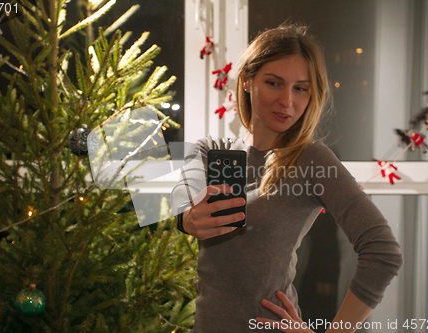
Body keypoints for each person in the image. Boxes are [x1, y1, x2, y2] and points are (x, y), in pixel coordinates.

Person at [170, 23, 403, 332]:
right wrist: (186, 219)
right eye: (274, 83)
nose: (287, 101)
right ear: (247, 82)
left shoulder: (311, 160)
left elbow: (383, 252)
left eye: (300, 88)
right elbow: (180, 201)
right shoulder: (210, 151)